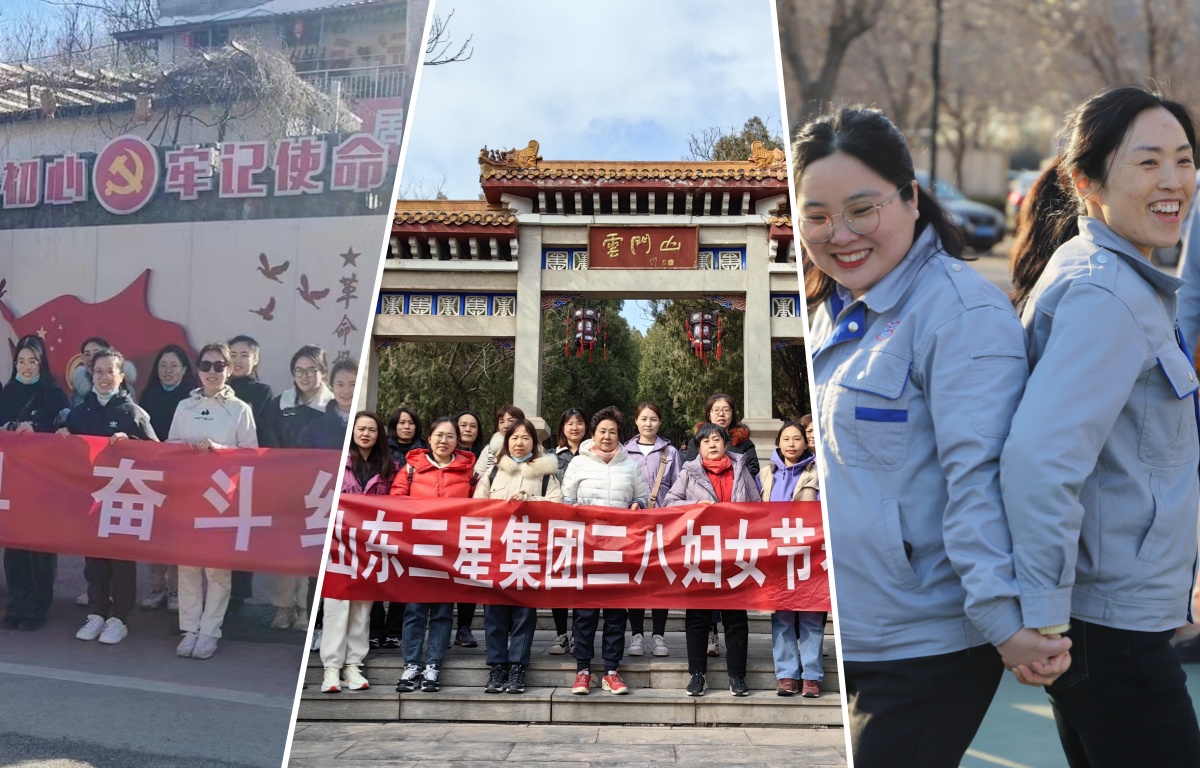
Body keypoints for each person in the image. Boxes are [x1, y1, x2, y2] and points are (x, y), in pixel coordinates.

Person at [794, 105, 1069, 767]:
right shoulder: (826, 309)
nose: (840, 234)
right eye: (818, 214)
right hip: (848, 629)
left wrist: (1005, 624)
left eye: (863, 209)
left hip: (926, 646)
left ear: (911, 199)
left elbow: (981, 481)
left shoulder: (962, 314)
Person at [1001, 86, 1200, 766]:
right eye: (1148, 163)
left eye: (1183, 159)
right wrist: (1048, 617)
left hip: (1107, 615)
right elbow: (1040, 460)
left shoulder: (1111, 274)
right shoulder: (1106, 294)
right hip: (1106, 629)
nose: (1173, 181)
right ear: (1084, 180)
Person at [61, 348, 158, 645]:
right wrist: (62, 436)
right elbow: (62, 455)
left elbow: (158, 451)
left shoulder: (132, 412)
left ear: (121, 376)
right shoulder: (79, 413)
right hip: (92, 500)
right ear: (91, 375)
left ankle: (119, 618)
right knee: (94, 560)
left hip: (125, 501)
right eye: (98, 372)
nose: (104, 378)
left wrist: (134, 443)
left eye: (110, 372)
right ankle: (96, 612)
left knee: (122, 561)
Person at [168, 342, 257, 659]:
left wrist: (220, 449)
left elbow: (252, 456)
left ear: (229, 370)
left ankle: (209, 631)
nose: (212, 372)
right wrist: (186, 450)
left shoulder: (240, 410)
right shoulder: (184, 407)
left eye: (219, 366)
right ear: (198, 370)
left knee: (217, 571)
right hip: (189, 496)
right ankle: (189, 628)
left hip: (222, 498)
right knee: (188, 566)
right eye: (206, 366)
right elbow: (169, 447)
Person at [664, 422, 759, 697]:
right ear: (699, 447)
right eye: (706, 441)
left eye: (717, 439)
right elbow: (669, 504)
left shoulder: (741, 470)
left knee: (736, 617)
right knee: (697, 616)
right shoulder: (689, 472)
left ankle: (737, 676)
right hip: (701, 554)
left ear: (726, 443)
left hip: (734, 553)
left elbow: (757, 507)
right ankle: (697, 674)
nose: (712, 444)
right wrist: (694, 508)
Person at [561, 406, 648, 696]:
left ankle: (611, 670)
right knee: (584, 613)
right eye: (602, 431)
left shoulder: (630, 464)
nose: (607, 436)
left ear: (619, 434)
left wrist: (638, 504)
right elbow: (565, 499)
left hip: (620, 550)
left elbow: (642, 496)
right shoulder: (579, 463)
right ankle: (582, 670)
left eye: (612, 431)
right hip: (586, 549)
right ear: (593, 434)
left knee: (615, 613)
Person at [473, 418, 562, 694]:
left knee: (525, 612)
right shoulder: (493, 473)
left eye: (526, 438)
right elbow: (476, 508)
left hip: (529, 551)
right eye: (514, 437)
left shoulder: (546, 474)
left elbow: (559, 507)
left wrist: (531, 502)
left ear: (535, 444)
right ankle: (497, 667)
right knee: (494, 612)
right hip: (496, 550)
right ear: (506, 441)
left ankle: (518, 668)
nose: (519, 442)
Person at [390, 417, 475, 693]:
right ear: (429, 437)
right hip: (418, 549)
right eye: (439, 435)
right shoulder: (412, 468)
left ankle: (433, 665)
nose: (444, 441)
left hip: (449, 551)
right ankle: (411, 664)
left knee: (441, 612)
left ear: (457, 441)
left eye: (450, 437)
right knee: (414, 610)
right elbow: (396, 500)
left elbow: (477, 507)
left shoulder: (467, 471)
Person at [320, 410, 395, 693]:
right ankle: (331, 668)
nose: (366, 434)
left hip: (370, 546)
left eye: (372, 430)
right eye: (361, 428)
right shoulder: (339, 462)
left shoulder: (388, 467)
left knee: (362, 608)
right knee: (336, 605)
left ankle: (353, 665)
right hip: (339, 545)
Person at [262, 344, 333, 631]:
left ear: (323, 372)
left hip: (320, 489)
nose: (304, 376)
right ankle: (284, 607)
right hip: (286, 487)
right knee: (285, 550)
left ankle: (307, 611)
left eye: (311, 370)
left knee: (314, 551)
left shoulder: (332, 406)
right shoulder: (280, 403)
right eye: (299, 370)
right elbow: (268, 441)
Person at [1, 336, 69, 631]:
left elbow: (67, 432)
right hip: (12, 484)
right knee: (14, 548)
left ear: (42, 364)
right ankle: (17, 603)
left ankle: (38, 606)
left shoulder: (54, 395)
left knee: (40, 549)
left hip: (43, 484)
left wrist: (38, 429)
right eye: (21, 361)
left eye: (33, 361)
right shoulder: (7, 392)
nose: (26, 367)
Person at [760, 421, 822, 697]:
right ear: (779, 442)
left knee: (811, 614)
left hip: (811, 553)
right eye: (786, 438)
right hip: (777, 554)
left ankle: (811, 675)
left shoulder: (819, 473)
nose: (792, 443)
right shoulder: (765, 474)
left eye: (797, 438)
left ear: (806, 443)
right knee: (782, 615)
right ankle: (786, 675)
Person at [138, 344, 200, 613]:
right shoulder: (148, 395)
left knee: (176, 534)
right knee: (154, 534)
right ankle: (156, 587)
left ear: (185, 369)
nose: (168, 371)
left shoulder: (193, 399)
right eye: (163, 366)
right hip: (152, 475)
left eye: (174, 366)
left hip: (184, 477)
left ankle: (175, 589)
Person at [623, 402, 681, 658]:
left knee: (660, 579)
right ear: (636, 421)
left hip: (663, 524)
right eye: (644, 419)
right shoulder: (624, 451)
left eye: (653, 419)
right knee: (634, 579)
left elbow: (679, 488)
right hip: (632, 523)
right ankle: (636, 635)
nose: (648, 423)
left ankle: (659, 635)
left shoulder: (671, 452)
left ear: (660, 422)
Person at [226, 335, 275, 615]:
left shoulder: (263, 392)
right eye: (232, 353)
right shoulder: (215, 387)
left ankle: (239, 595)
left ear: (255, 359)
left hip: (248, 472)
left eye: (244, 354)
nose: (237, 359)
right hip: (217, 474)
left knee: (242, 532)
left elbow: (264, 434)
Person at [547, 406, 587, 654]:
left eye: (579, 422)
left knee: (581, 581)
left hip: (586, 527)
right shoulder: (551, 456)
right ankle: (561, 634)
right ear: (562, 428)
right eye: (570, 423)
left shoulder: (594, 454)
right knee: (559, 581)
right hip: (558, 526)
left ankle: (578, 635)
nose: (575, 427)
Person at [452, 408, 485, 649]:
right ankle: (441, 630)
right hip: (446, 524)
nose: (467, 430)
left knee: (468, 579)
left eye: (472, 426)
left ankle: (464, 628)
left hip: (474, 526)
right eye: (463, 425)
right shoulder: (445, 455)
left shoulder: (486, 456)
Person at [300, 357, 357, 450]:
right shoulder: (315, 427)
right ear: (331, 387)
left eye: (353, 384)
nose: (346, 391)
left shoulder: (369, 425)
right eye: (340, 384)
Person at [474, 404, 523, 479]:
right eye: (501, 422)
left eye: (511, 420)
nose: (506, 425)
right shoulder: (489, 450)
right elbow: (478, 475)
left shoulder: (532, 448)